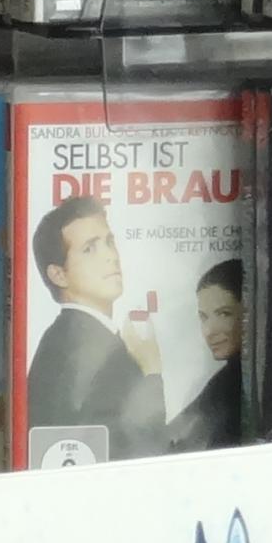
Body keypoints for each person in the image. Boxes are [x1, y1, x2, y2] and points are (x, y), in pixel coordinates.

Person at [24, 193, 165, 458]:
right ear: (59, 274)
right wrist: (152, 372)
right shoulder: (84, 349)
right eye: (90, 249)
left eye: (109, 242)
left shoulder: (69, 337)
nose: (111, 256)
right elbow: (140, 453)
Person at [180, 256, 246, 445]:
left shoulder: (233, 386)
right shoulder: (223, 384)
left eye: (224, 314)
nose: (209, 331)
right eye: (204, 317)